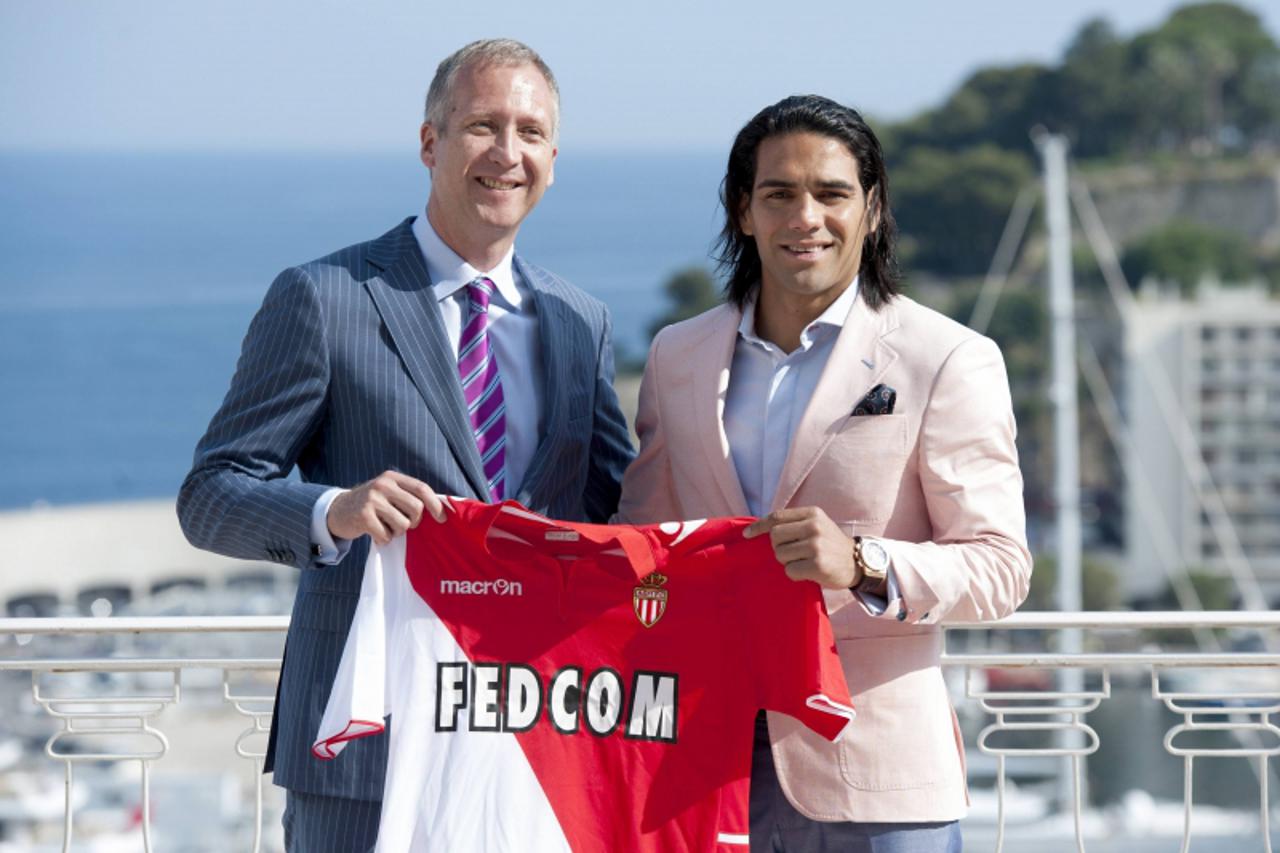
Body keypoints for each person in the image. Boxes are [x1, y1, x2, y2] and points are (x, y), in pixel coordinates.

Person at [177, 38, 634, 852]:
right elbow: (210, 493)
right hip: (365, 749)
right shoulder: (325, 298)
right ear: (430, 142)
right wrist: (333, 510)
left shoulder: (582, 323)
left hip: (533, 745)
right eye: (482, 125)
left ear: (553, 162)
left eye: (530, 132)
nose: (508, 152)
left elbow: (619, 514)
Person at [616, 94, 1032, 852]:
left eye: (831, 193)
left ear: (871, 210)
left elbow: (1001, 567)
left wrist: (863, 563)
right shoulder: (677, 355)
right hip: (699, 767)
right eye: (779, 194)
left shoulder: (948, 358)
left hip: (879, 780)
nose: (805, 217)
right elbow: (642, 546)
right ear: (744, 210)